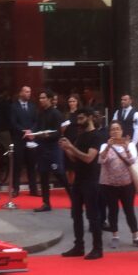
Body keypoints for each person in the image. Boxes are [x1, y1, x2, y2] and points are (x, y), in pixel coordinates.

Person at [58, 107, 106, 260]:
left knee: (93, 215)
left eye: (81, 118)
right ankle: (79, 246)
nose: (78, 122)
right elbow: (75, 158)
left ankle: (97, 248)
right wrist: (66, 149)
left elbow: (89, 158)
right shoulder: (81, 136)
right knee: (76, 214)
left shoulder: (96, 136)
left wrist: (71, 147)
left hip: (91, 180)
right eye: (78, 119)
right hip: (79, 179)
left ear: (90, 117)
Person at [99, 122, 138, 249]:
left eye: (117, 129)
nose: (115, 131)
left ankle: (136, 237)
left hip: (126, 184)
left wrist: (126, 148)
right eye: (112, 129)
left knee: (129, 210)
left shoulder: (130, 145)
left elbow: (132, 161)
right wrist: (108, 147)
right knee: (112, 210)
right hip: (109, 184)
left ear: (122, 131)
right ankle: (115, 236)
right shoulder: (104, 145)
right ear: (109, 132)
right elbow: (101, 160)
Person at [30, 89, 69, 212]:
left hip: (53, 148)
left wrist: (48, 135)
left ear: (50, 99)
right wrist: (31, 133)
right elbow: (37, 127)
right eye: (40, 98)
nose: (41, 100)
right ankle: (46, 203)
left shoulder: (56, 114)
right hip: (42, 147)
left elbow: (58, 132)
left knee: (60, 174)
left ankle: (75, 198)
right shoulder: (40, 113)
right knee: (43, 175)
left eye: (43, 98)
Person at [9, 85, 39, 197]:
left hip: (31, 139)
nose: (28, 94)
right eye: (26, 92)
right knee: (17, 165)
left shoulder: (32, 106)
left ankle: (33, 189)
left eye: (29, 92)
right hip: (19, 139)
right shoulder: (14, 106)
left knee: (32, 165)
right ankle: (15, 189)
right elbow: (13, 123)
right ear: (21, 93)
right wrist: (24, 131)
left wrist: (31, 131)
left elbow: (36, 121)